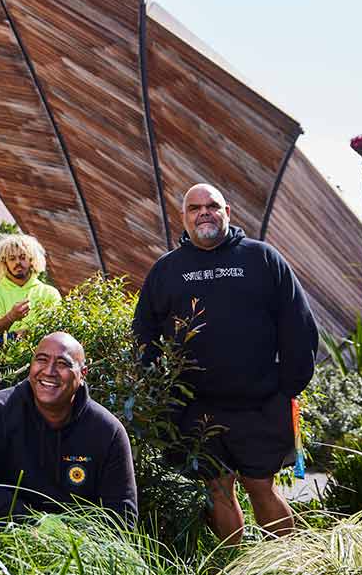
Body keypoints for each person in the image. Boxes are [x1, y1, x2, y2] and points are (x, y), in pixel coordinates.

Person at [132, 182, 318, 543]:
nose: (204, 212)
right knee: (217, 490)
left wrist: (288, 386)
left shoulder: (262, 259)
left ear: (227, 212)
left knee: (261, 487)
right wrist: (159, 394)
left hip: (259, 403)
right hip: (195, 409)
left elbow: (298, 324)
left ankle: (287, 565)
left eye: (212, 206)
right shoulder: (166, 270)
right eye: (195, 208)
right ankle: (234, 568)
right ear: (183, 218)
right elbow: (144, 333)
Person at [0, 333, 136, 524]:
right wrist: (33, 521)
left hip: (73, 537)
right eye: (41, 360)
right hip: (4, 523)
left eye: (63, 364)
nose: (49, 371)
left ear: (83, 374)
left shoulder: (107, 432)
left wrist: (66, 535)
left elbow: (122, 516)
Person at [0, 233, 61, 360]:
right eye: (12, 258)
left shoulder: (50, 293)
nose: (18, 262)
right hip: (1, 365)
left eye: (23, 257)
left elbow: (56, 329)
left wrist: (24, 333)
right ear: (4, 263)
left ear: (32, 260)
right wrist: (11, 317)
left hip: (40, 363)